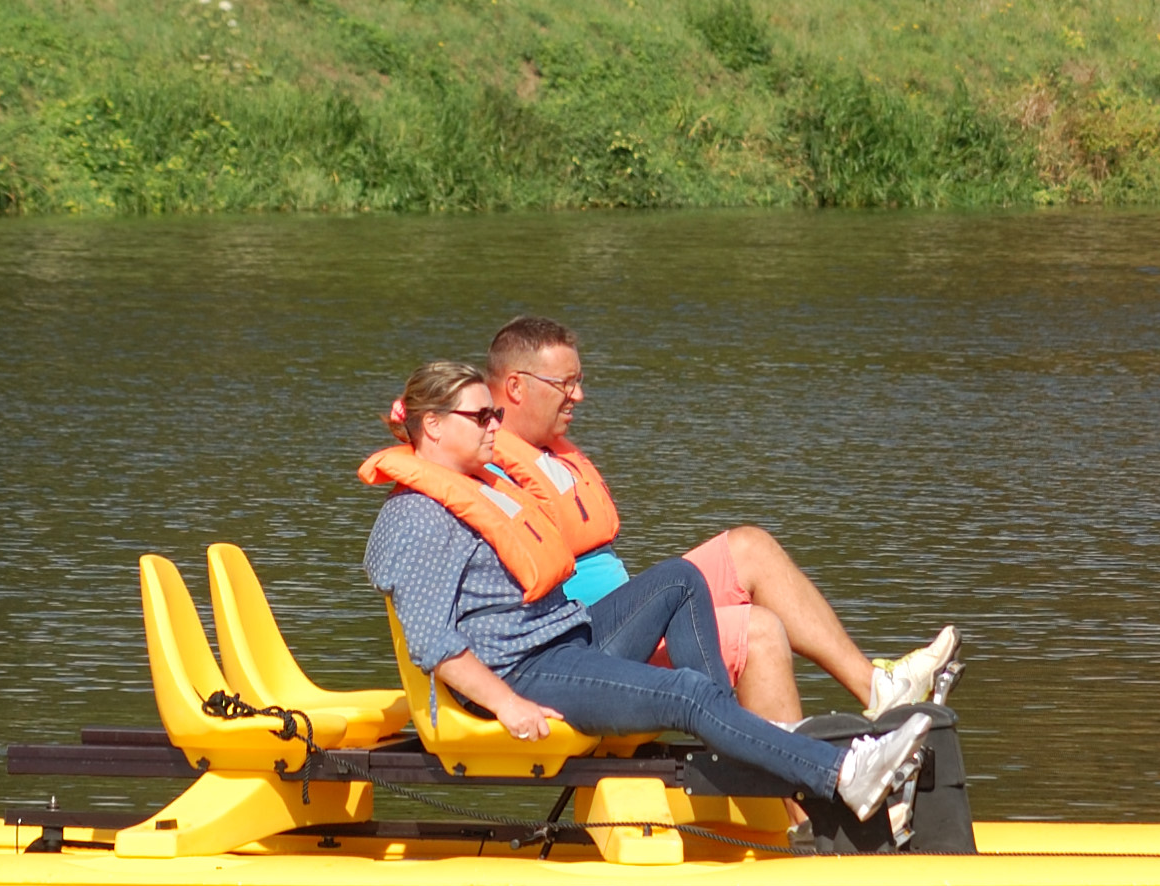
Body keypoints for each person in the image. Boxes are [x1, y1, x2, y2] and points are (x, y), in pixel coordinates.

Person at [362, 360, 939, 827]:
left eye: (495, 412)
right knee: (686, 693)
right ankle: (843, 773)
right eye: (481, 415)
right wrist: (508, 705)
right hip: (520, 672)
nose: (496, 425)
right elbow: (433, 642)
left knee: (678, 580)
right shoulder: (415, 518)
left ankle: (733, 746)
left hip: (566, 640)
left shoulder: (478, 489)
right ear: (432, 425)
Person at [481, 316, 957, 722]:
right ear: (517, 386)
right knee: (759, 630)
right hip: (588, 650)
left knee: (751, 545)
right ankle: (805, 818)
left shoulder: (544, 454)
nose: (578, 395)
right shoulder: (484, 469)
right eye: (564, 384)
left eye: (579, 380)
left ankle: (877, 687)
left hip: (632, 618)